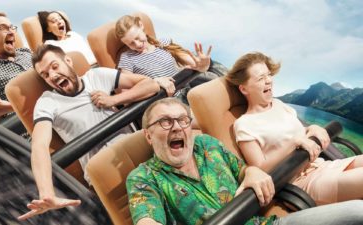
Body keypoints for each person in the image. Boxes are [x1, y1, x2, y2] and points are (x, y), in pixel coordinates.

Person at [126, 97, 363, 225]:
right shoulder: (143, 178)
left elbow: (242, 171)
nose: (177, 127)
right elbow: (147, 219)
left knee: (357, 211)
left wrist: (251, 172)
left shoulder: (207, 144)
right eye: (165, 122)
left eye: (183, 120)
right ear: (148, 135)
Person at [17, 44, 159, 220]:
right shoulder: (47, 102)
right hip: (107, 172)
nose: (52, 76)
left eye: (55, 67)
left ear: (68, 61)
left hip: (144, 154)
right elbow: (39, 145)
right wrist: (46, 192)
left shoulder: (96, 76)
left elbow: (150, 85)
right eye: (45, 75)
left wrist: (113, 99)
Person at [229, 52, 363, 205]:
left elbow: (298, 132)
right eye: (261, 78)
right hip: (301, 182)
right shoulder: (245, 124)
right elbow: (259, 168)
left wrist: (312, 127)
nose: (268, 81)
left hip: (320, 165)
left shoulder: (278, 104)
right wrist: (293, 143)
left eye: (268, 75)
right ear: (244, 89)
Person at [114, 15, 227, 101]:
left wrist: (202, 63)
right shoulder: (127, 58)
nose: (138, 45)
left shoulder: (162, 43)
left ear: (141, 25)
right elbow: (126, 94)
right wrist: (155, 83)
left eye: (138, 38)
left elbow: (191, 61)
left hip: (187, 89)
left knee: (213, 72)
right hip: (168, 101)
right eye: (131, 43)